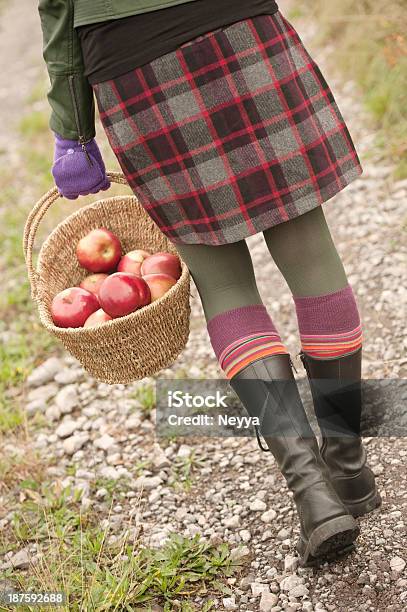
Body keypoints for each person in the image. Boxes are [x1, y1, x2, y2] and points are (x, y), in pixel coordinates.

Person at [37, 0, 381, 566]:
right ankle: (347, 470)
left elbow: (58, 10)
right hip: (238, 27)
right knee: (312, 257)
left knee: (224, 289)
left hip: (133, 65)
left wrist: (71, 132)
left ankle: (314, 495)